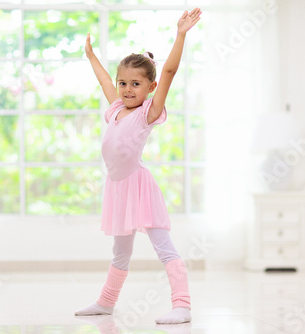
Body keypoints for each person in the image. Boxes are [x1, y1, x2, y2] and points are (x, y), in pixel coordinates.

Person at [75, 8, 202, 325]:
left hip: (139, 188)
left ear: (150, 87)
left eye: (135, 84)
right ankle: (106, 302)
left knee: (164, 247)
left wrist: (181, 34)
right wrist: (91, 56)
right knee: (120, 253)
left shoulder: (147, 111)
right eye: (123, 83)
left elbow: (170, 72)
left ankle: (182, 304)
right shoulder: (116, 108)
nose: (127, 89)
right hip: (117, 189)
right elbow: (104, 80)